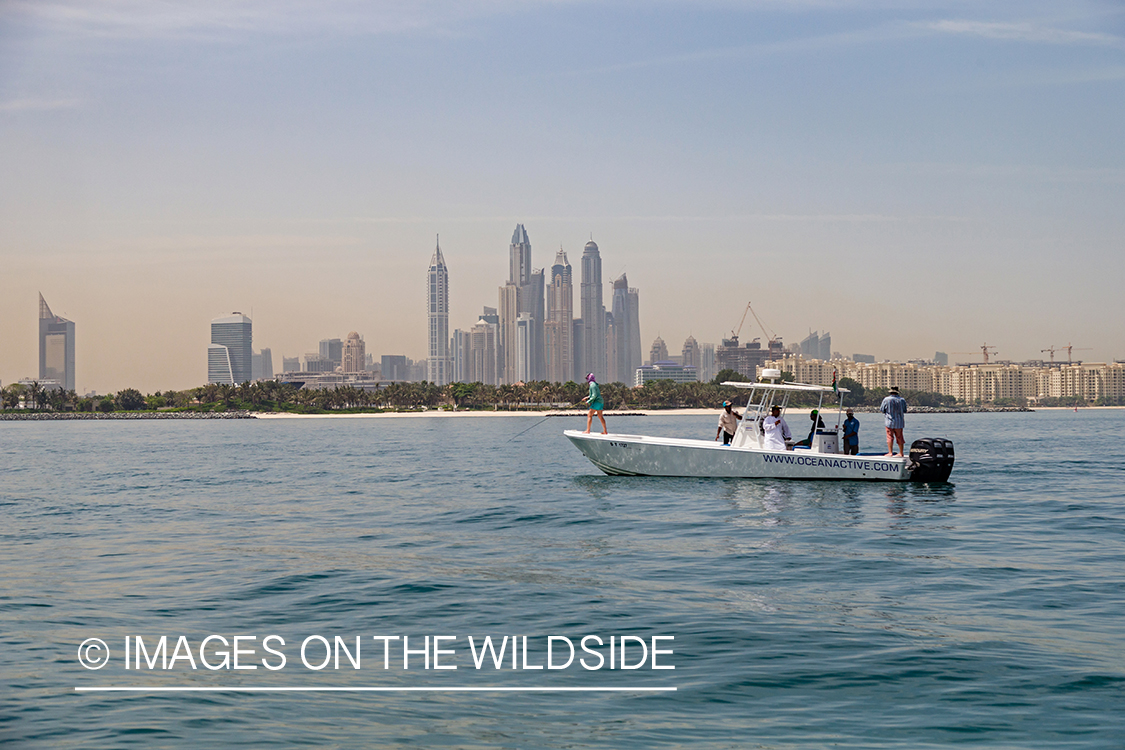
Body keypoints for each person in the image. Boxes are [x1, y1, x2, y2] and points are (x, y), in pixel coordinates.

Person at [880, 386, 908, 457]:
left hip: (889, 422)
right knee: (900, 437)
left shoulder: (886, 399)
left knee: (889, 437)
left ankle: (890, 452)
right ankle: (901, 453)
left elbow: (882, 409)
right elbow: (905, 410)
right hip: (899, 422)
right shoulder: (902, 400)